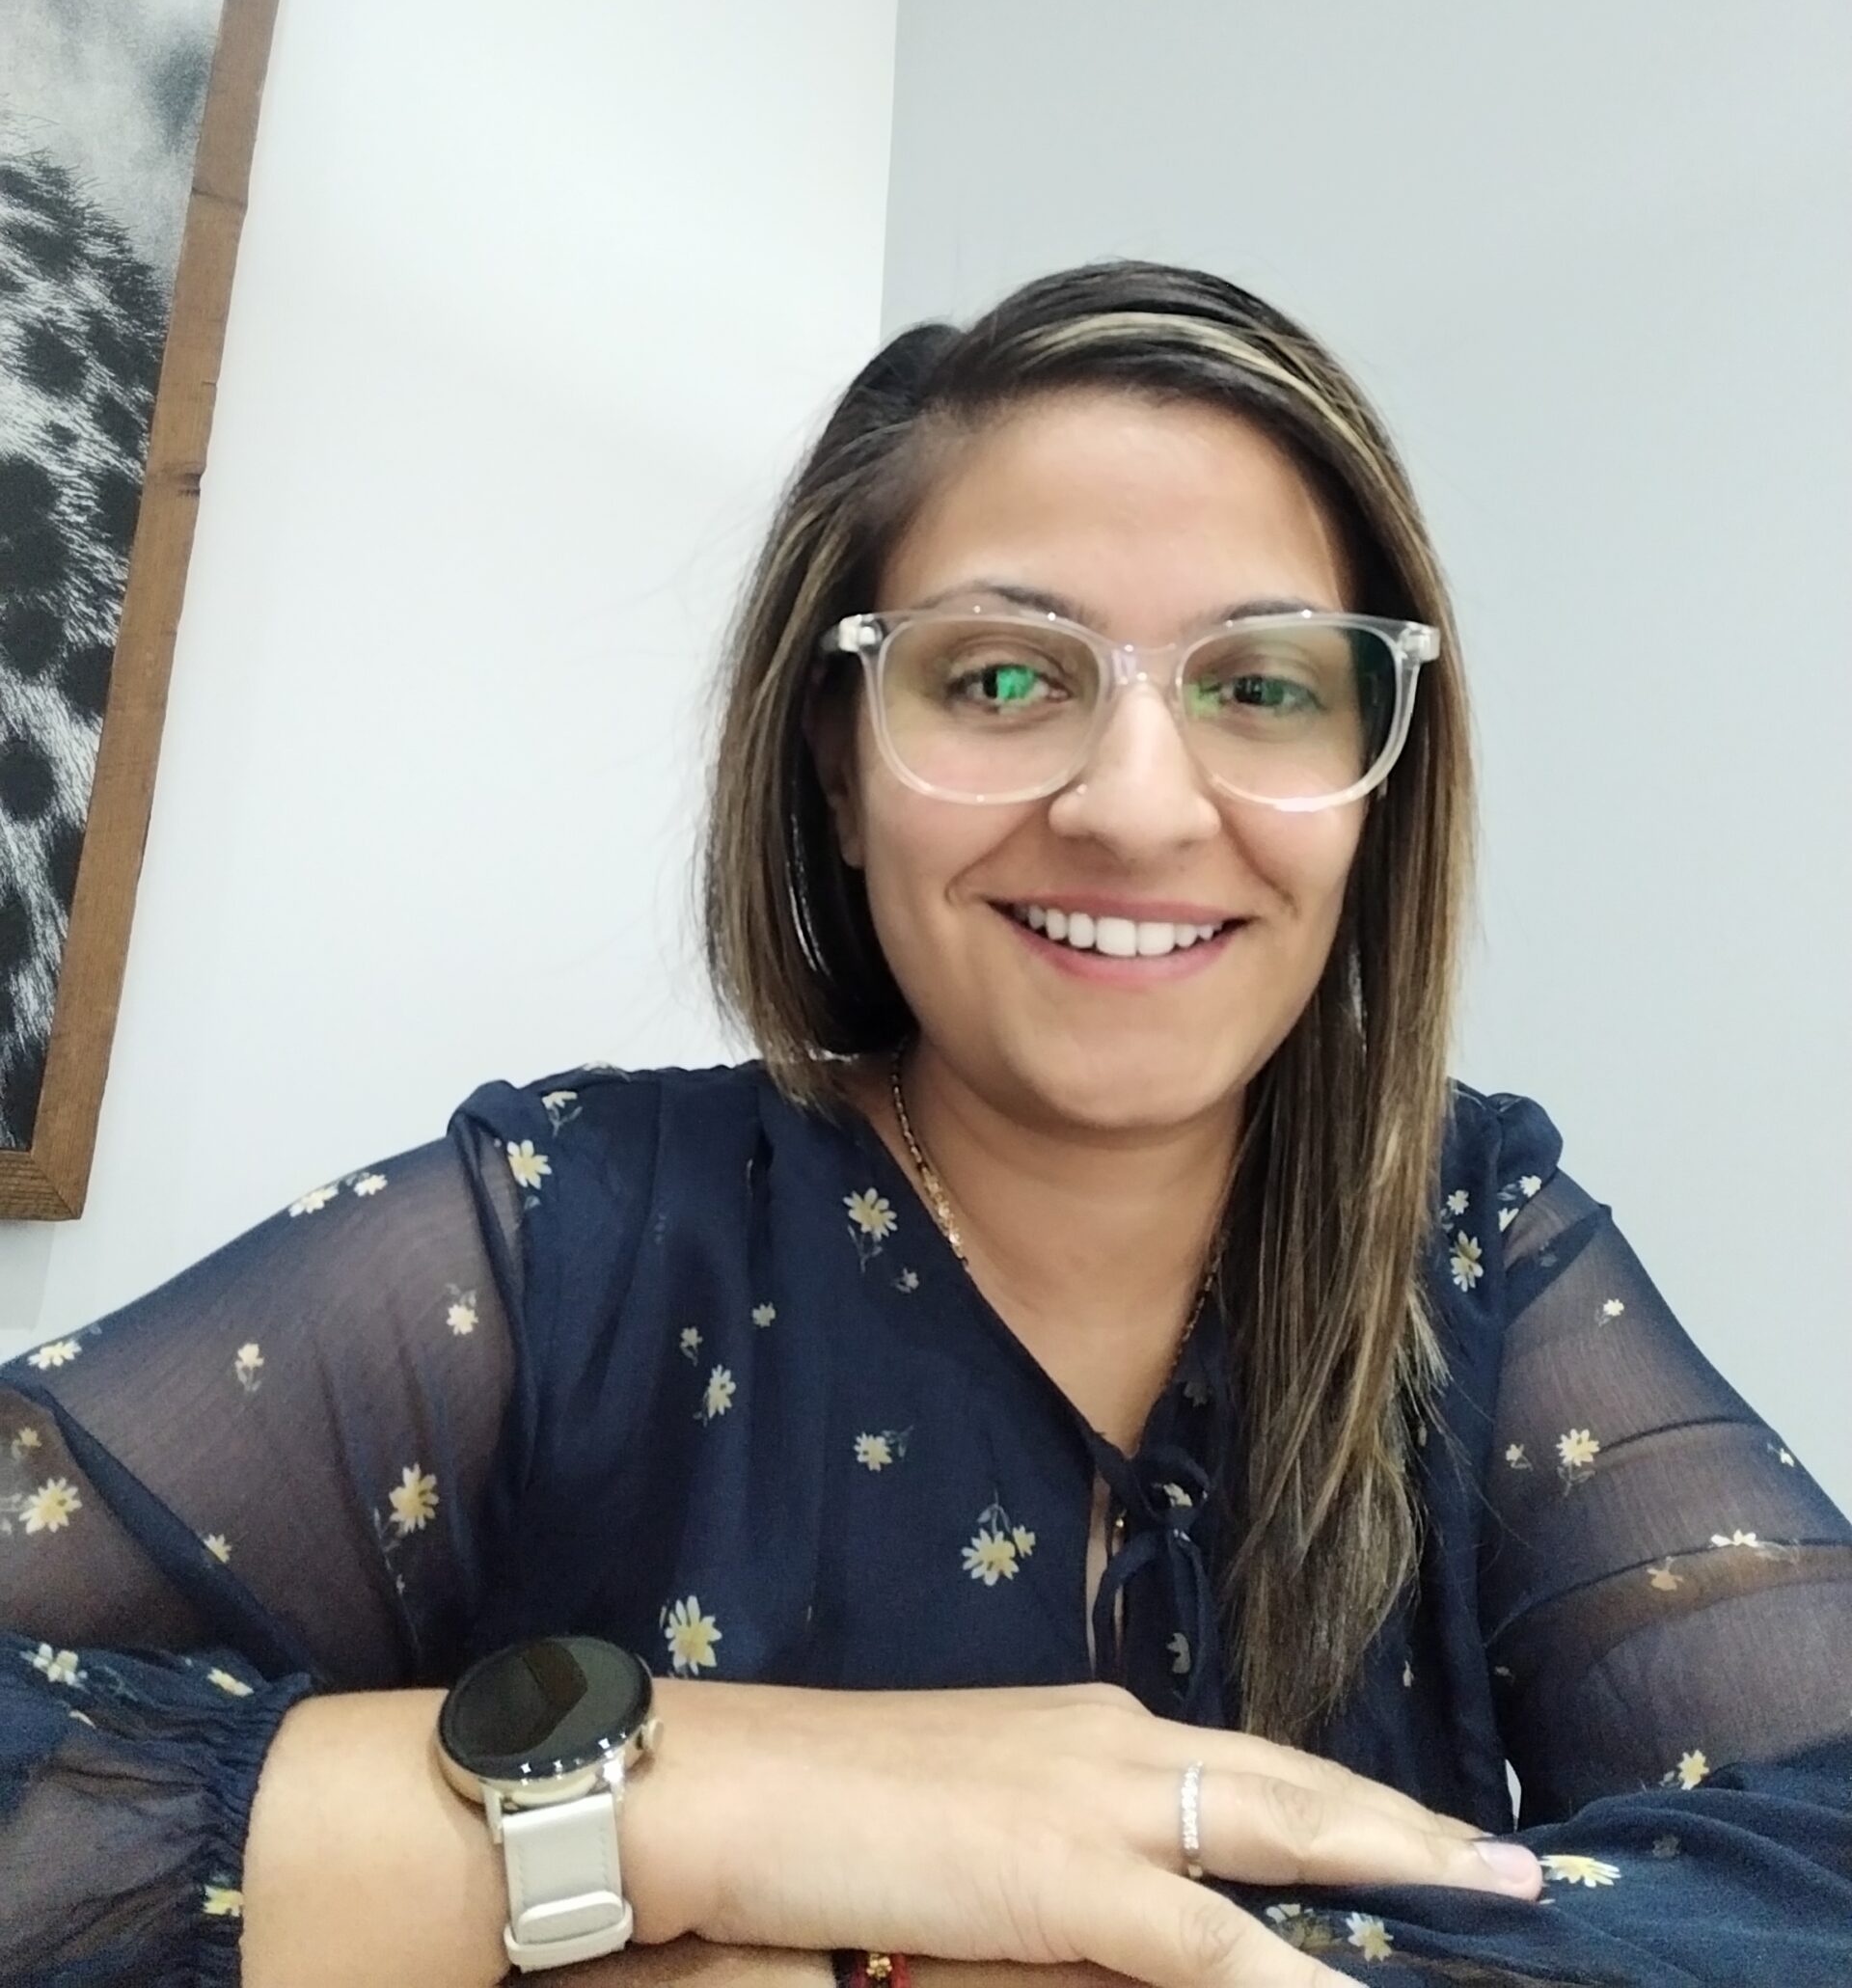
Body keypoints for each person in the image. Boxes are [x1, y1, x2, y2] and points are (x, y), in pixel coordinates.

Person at [3, 261, 1849, 1988]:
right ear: (835, 756)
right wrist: (694, 1805)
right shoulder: (573, 1241)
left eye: (1262, 685)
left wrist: (900, 1963)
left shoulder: (1469, 1236)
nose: (1138, 807)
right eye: (1003, 677)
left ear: (1379, 782)